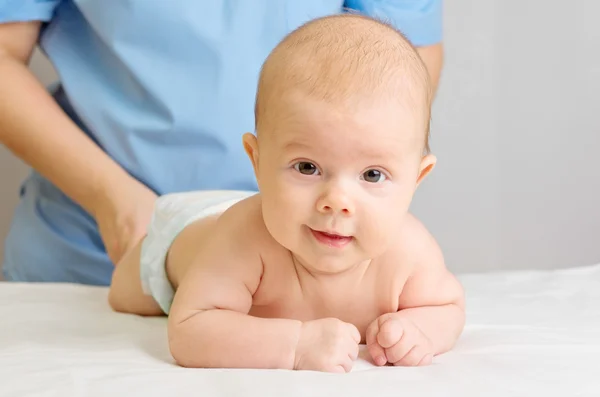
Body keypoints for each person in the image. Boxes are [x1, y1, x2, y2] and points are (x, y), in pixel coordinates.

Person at [108, 14, 464, 373]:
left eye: (372, 175)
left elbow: (448, 309)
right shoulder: (242, 239)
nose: (337, 201)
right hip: (191, 230)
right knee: (123, 296)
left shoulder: (410, 252)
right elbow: (189, 331)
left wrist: (418, 330)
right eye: (307, 167)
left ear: (417, 179)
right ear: (257, 161)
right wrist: (296, 345)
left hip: (269, 211)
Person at [0, 1, 444, 285]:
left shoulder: (414, 260)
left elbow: (401, 66)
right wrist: (113, 203)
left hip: (306, 260)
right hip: (93, 248)